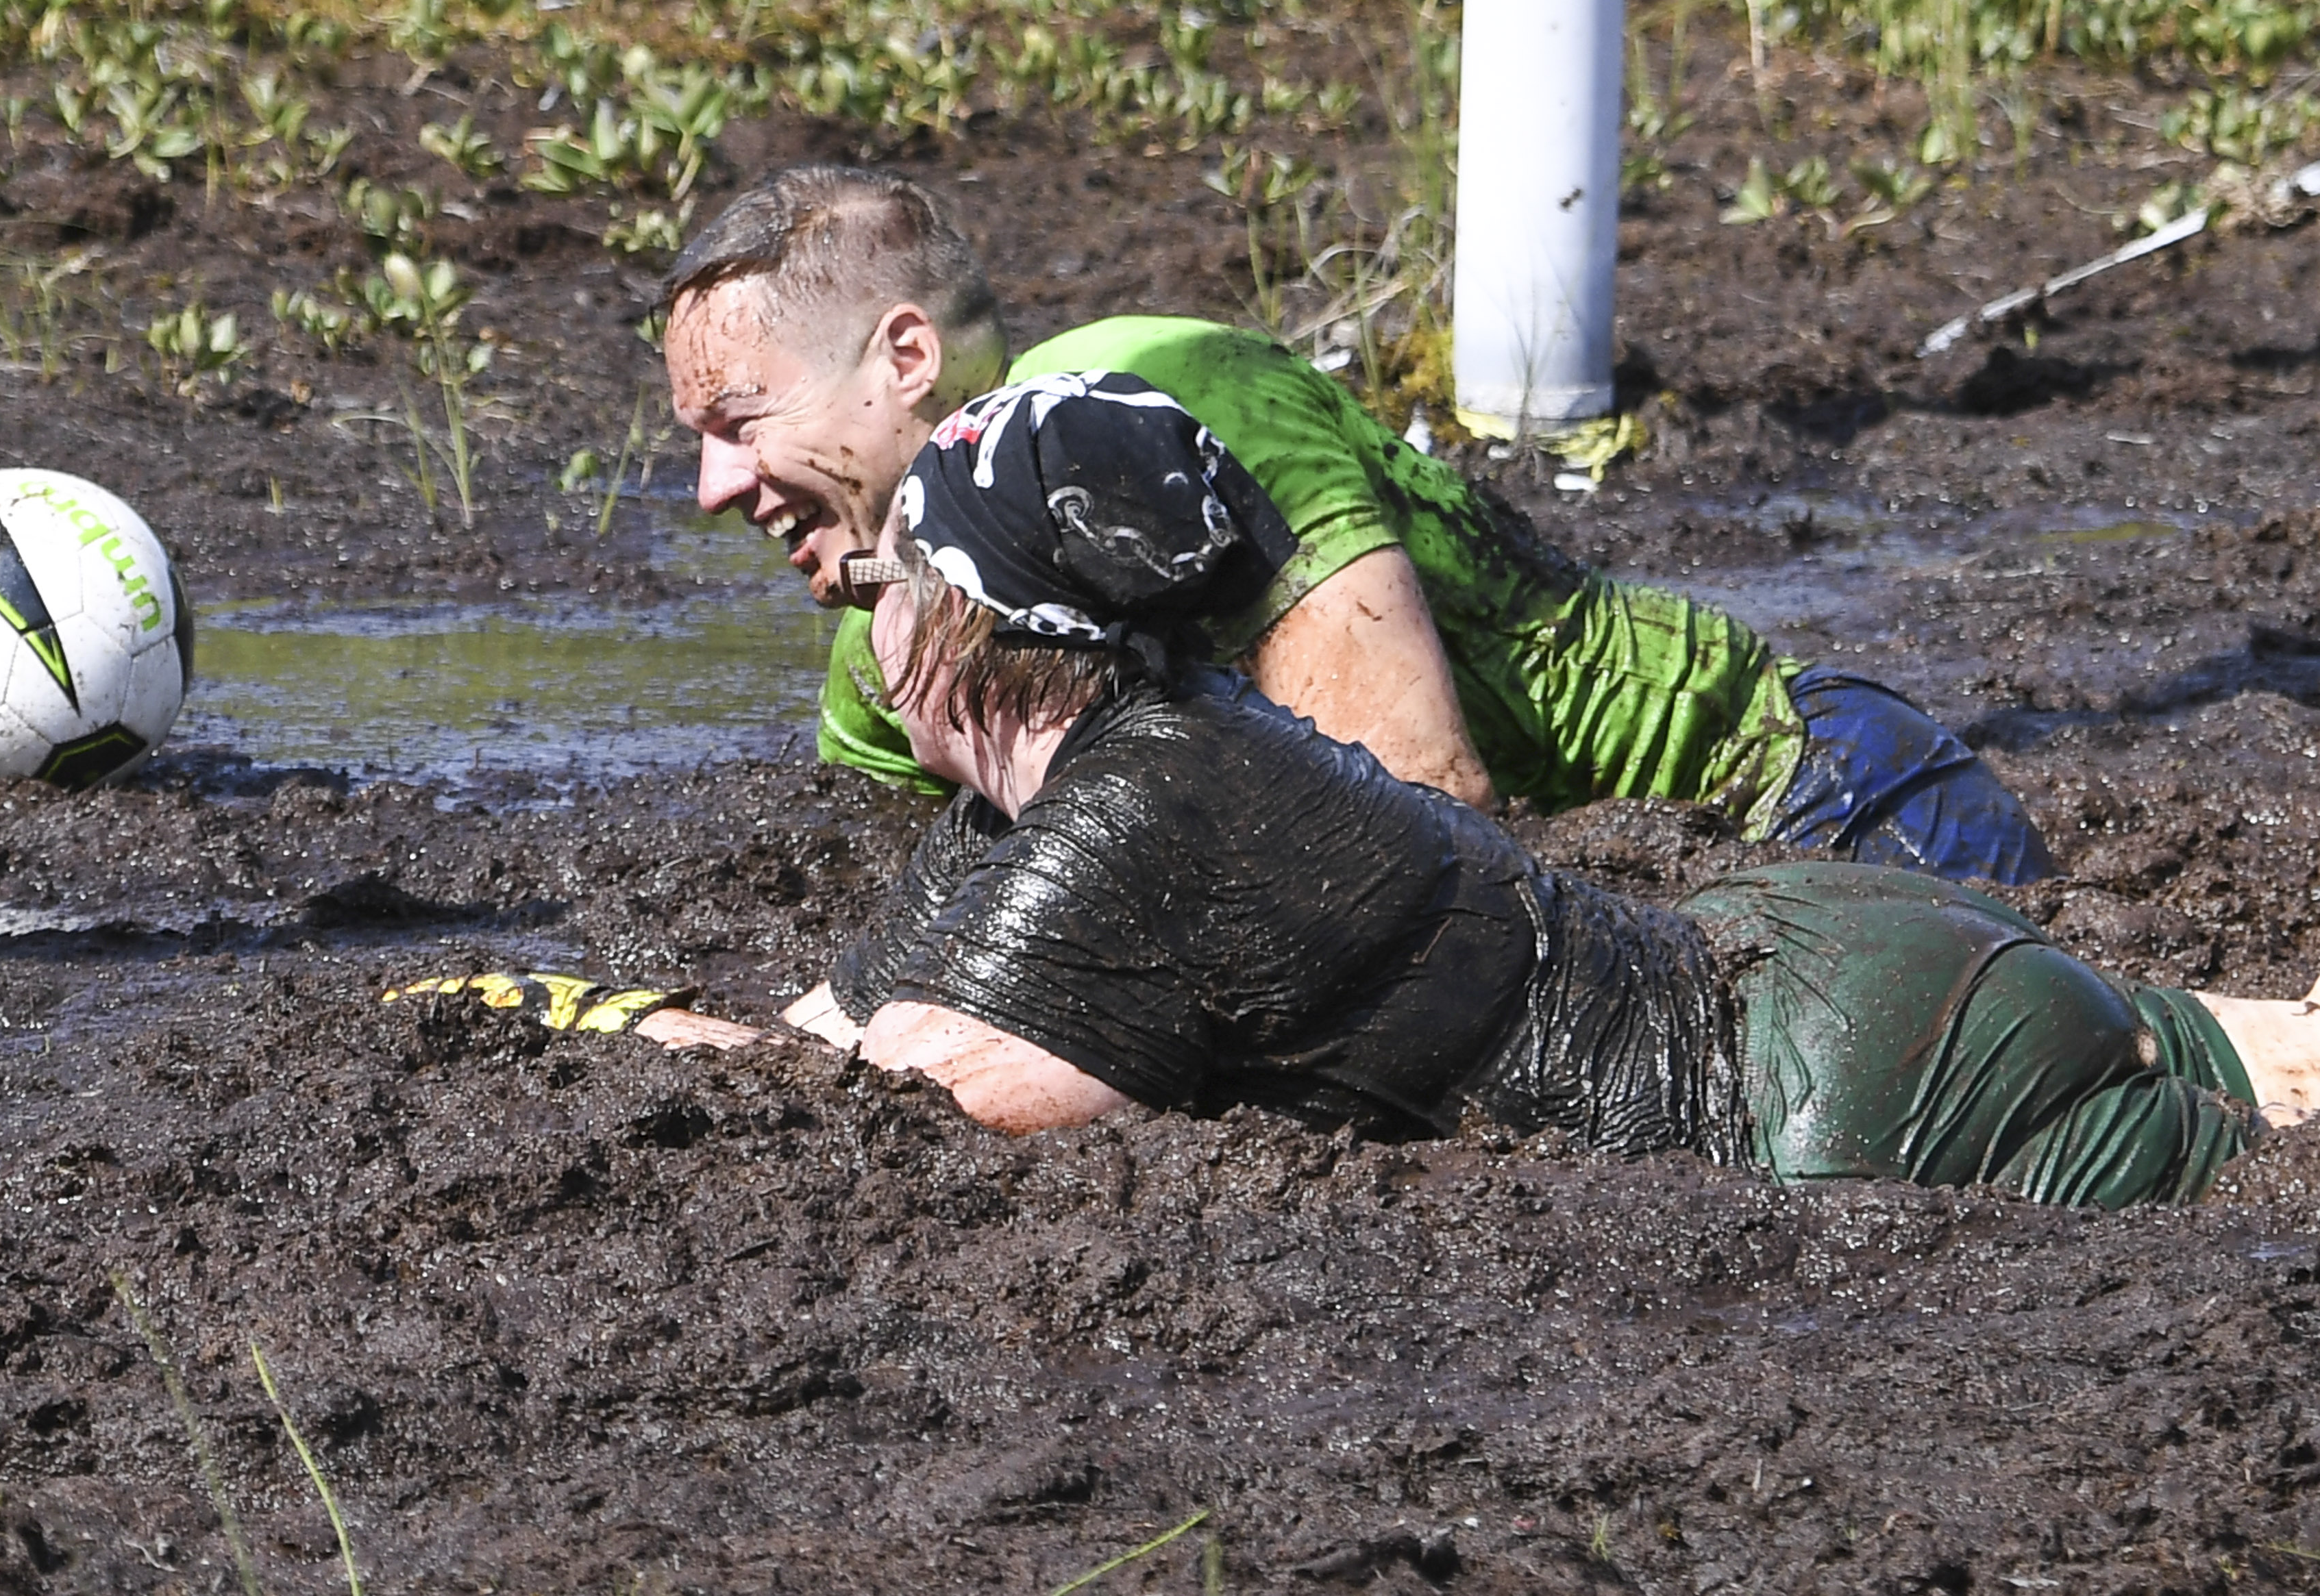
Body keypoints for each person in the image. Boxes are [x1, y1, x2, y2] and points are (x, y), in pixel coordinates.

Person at [409, 375, 2320, 1207]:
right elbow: (844, 1020)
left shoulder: (1145, 809)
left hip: (1842, 1105)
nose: (861, 604)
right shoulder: (1073, 786)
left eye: (893, 572)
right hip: (1819, 963)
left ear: (981, 626)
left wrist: (611, 1024)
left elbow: (935, 1101)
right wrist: (602, 1031)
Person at [661, 164, 2053, 884]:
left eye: (739, 419)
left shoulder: (1169, 399)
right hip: (1613, 931)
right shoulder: (875, 667)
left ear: (903, 358)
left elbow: (1424, 814)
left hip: (1802, 806)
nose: (714, 489)